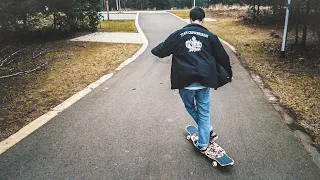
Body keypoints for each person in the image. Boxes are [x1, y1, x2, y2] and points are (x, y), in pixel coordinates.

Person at [151, 7, 232, 154]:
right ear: (202, 20)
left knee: (190, 107)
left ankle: (208, 131)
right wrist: (228, 75)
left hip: (185, 81)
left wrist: (154, 50)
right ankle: (203, 142)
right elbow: (223, 57)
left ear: (189, 19)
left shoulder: (179, 34)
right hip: (204, 81)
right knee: (204, 111)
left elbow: (161, 50)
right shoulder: (210, 36)